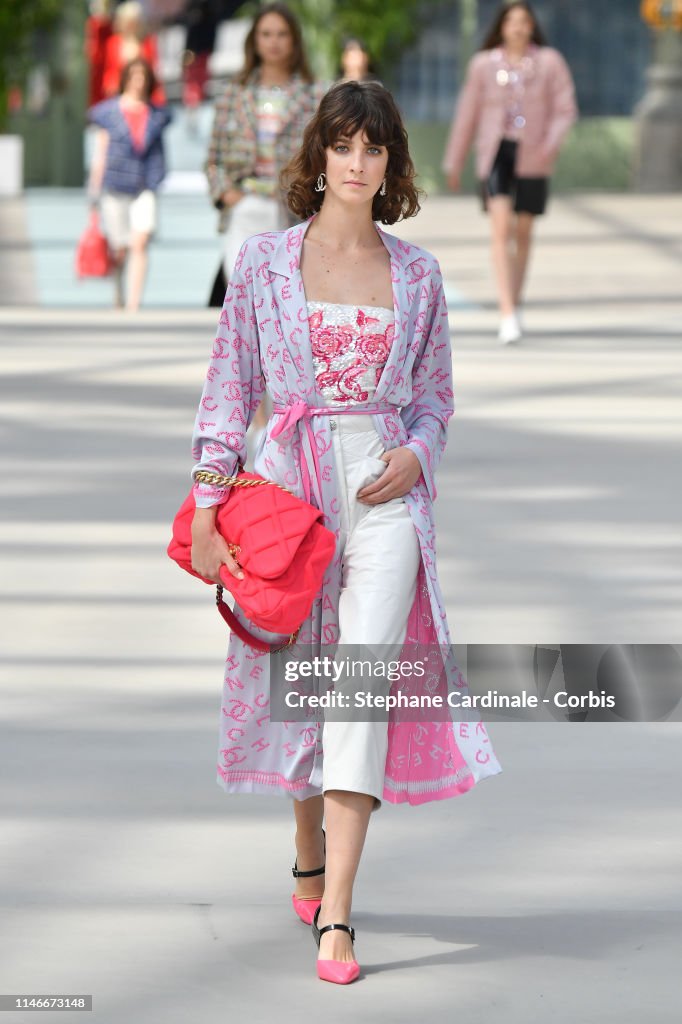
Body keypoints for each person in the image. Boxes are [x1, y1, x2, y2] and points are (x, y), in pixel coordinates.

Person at [188, 80, 502, 985]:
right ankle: (306, 848)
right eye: (343, 146)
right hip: (287, 488)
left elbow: (436, 400)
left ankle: (337, 916)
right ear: (319, 155)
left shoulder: (420, 274)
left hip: (383, 491)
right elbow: (228, 396)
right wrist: (208, 507)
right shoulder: (261, 264)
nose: (357, 164)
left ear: (391, 162)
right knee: (303, 679)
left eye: (374, 149)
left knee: (357, 684)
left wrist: (417, 455)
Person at [204, 2, 328, 446]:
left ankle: (286, 416)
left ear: (293, 41)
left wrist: (316, 200)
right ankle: (257, 423)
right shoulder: (235, 93)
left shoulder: (313, 94)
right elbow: (214, 158)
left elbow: (323, 158)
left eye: (281, 34)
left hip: (292, 214)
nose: (274, 42)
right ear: (254, 41)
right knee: (248, 314)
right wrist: (227, 193)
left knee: (288, 314)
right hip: (244, 211)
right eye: (266, 34)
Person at [442, 1, 577, 344]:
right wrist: (454, 161)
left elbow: (565, 109)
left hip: (534, 154)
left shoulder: (550, 62)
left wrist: (550, 144)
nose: (518, 27)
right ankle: (506, 311)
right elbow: (467, 114)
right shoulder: (483, 65)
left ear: (532, 26)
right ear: (501, 26)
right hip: (496, 154)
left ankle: (514, 303)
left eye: (524, 21)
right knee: (500, 230)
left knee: (524, 231)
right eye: (511, 21)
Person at [88, 58, 172, 311]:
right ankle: (119, 292)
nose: (139, 82)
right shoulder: (109, 112)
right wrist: (94, 188)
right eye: (135, 76)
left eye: (144, 77)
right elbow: (101, 151)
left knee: (141, 240)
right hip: (115, 184)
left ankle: (134, 302)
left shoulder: (157, 115)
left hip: (145, 183)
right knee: (120, 247)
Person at [101, 1, 166, 106]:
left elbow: (153, 70)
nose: (131, 26)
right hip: (120, 94)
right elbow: (110, 71)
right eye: (129, 22)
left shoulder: (147, 43)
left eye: (134, 22)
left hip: (144, 93)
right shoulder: (113, 43)